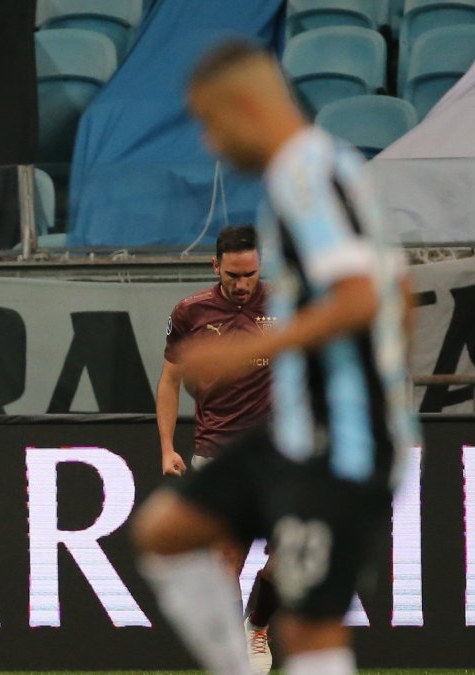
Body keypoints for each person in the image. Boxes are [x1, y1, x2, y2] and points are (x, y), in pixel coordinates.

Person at [133, 40, 419, 675]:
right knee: (165, 532)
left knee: (310, 632)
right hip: (299, 433)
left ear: (243, 105)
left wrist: (251, 347)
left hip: (341, 443)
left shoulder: (303, 176)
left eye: (209, 122)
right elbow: (397, 293)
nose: (209, 142)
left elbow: (361, 297)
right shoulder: (331, 166)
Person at [157, 224, 280, 673]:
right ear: (215, 267)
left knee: (290, 560)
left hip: (280, 452)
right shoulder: (190, 312)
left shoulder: (286, 304)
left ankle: (258, 625)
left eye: (250, 274)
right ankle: (232, 657)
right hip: (218, 452)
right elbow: (170, 381)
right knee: (226, 559)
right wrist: (167, 446)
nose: (243, 284)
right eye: (233, 275)